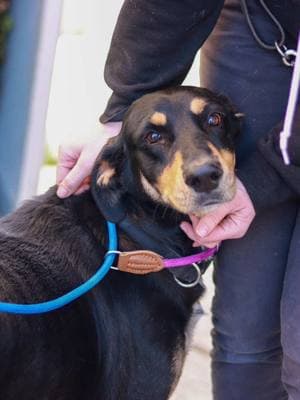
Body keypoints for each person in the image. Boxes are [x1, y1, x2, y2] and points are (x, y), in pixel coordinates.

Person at [56, 1, 300, 399]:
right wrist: (121, 112)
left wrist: (265, 177)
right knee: (245, 329)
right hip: (264, 18)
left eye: (213, 122)